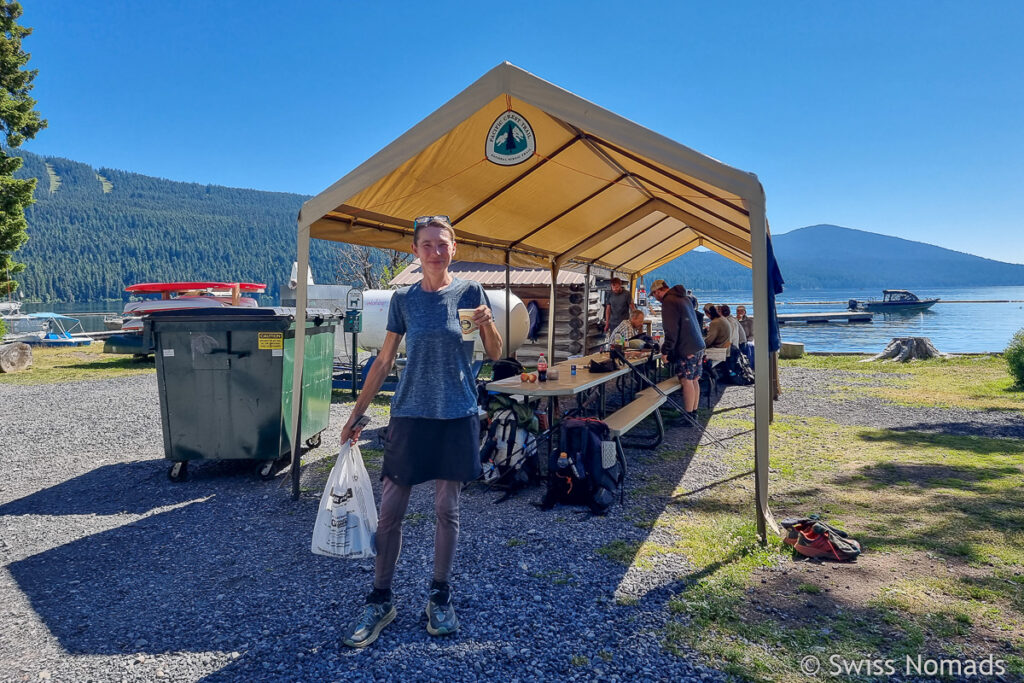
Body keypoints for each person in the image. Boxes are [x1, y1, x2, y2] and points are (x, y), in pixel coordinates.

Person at [339, 215, 503, 648]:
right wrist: (357, 414)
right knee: (390, 512)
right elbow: (383, 360)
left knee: (447, 512)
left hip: (456, 414)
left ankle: (439, 596)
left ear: (454, 248)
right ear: (416, 252)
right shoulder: (404, 300)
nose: (435, 251)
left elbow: (496, 352)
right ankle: (380, 599)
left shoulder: (469, 293)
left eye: (442, 244)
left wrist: (487, 322)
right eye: (427, 244)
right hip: (410, 414)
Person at [650, 279, 705, 419]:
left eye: (654, 295)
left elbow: (671, 330)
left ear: (658, 291)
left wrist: (666, 351)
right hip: (698, 344)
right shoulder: (684, 298)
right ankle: (694, 412)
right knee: (694, 379)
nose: (655, 299)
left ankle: (688, 415)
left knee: (686, 380)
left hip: (686, 347)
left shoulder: (669, 302)